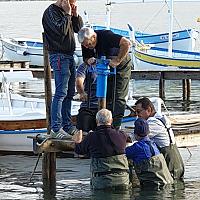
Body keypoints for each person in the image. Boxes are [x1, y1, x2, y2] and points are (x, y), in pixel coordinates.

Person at [77, 27, 133, 129]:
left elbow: (126, 43)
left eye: (89, 44)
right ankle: (104, 125)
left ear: (94, 37)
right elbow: (86, 58)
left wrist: (117, 60)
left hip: (120, 64)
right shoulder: (85, 43)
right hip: (105, 66)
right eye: (84, 45)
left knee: (118, 96)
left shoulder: (106, 36)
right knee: (106, 95)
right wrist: (88, 60)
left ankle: (116, 126)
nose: (87, 47)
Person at [42, 0, 83, 139]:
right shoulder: (50, 13)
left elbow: (79, 30)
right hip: (59, 56)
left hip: (69, 55)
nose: (72, 5)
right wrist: (67, 14)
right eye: (71, 2)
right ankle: (55, 128)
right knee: (61, 93)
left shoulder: (68, 12)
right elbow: (61, 31)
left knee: (70, 93)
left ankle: (67, 125)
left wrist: (75, 15)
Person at [73, 108, 130, 190]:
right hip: (122, 180)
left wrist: (77, 141)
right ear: (111, 120)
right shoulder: (122, 135)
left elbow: (79, 151)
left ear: (96, 121)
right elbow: (129, 139)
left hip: (102, 182)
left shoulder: (91, 137)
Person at [135, 97, 184, 180]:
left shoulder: (154, 122)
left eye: (139, 111)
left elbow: (137, 136)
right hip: (177, 162)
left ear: (149, 110)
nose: (137, 115)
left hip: (170, 164)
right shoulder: (161, 118)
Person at [126, 118, 174, 188]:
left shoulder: (137, 147)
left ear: (135, 134)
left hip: (153, 187)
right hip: (167, 182)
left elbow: (121, 153)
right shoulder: (154, 144)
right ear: (148, 133)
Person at [75, 63, 98, 132]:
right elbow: (78, 82)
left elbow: (79, 82)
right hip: (89, 107)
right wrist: (82, 93)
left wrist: (82, 93)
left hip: (89, 108)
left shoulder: (84, 66)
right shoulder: (85, 66)